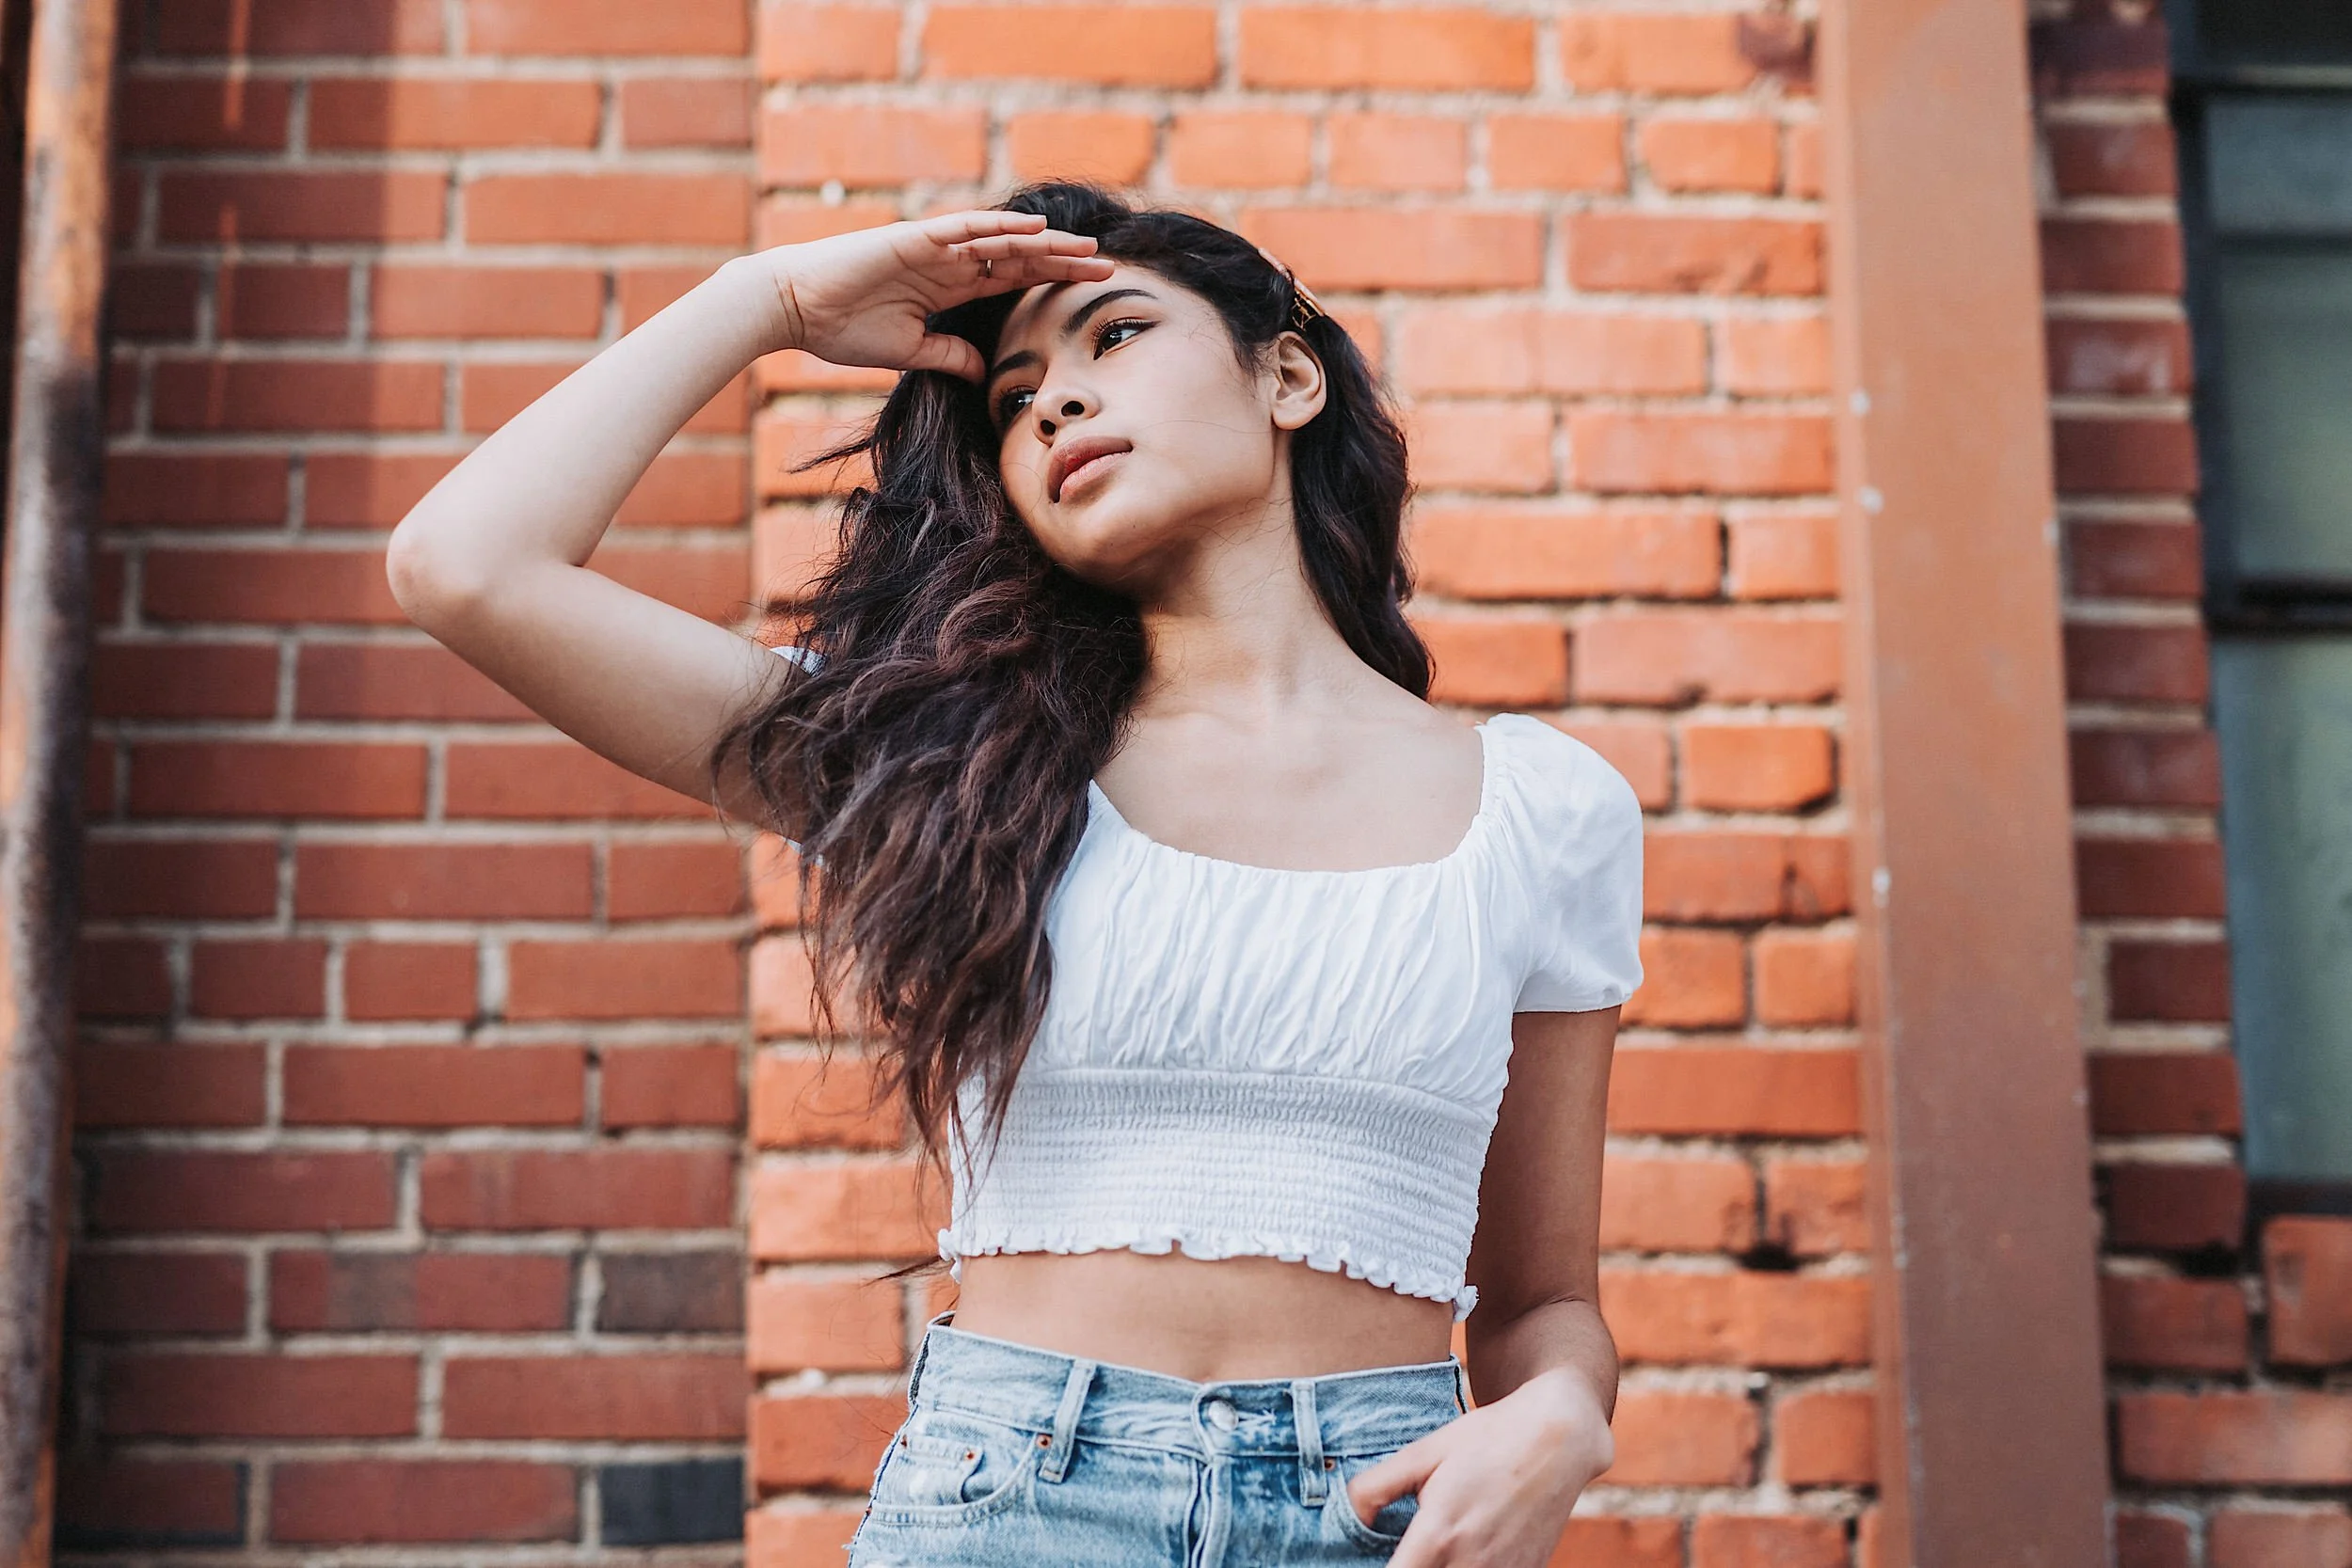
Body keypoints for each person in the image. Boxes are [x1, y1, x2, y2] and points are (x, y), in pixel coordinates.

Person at [388, 182, 1645, 1566]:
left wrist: (1566, 1411)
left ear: (1287, 374)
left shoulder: (1546, 808)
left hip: (1381, 1505)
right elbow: (465, 564)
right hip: (1019, 1505)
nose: (1052, 405)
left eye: (1114, 338)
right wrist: (772, 303)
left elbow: (1541, 1296)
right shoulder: (952, 763)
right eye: (1015, 398)